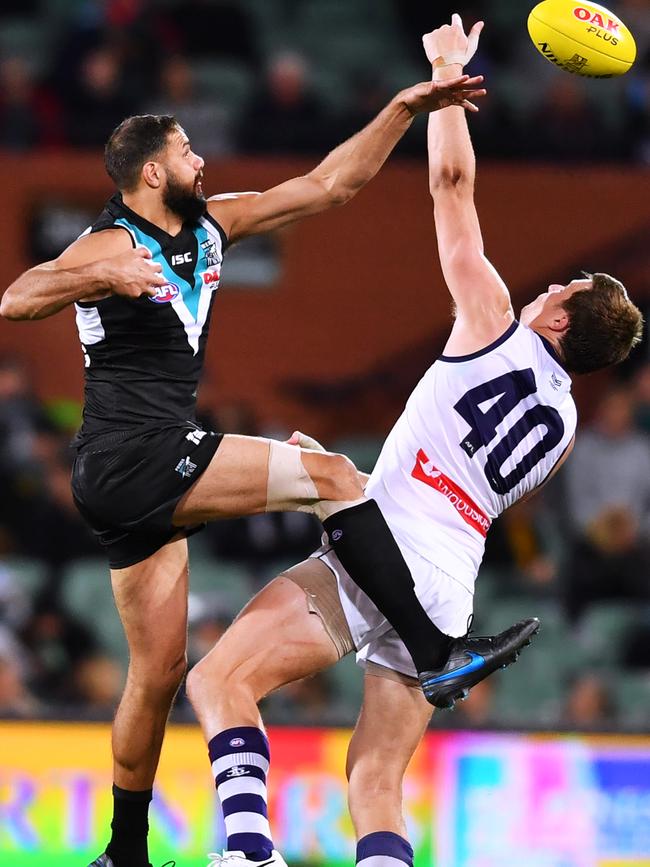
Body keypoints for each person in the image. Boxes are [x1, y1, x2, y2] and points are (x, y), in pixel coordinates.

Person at [0, 69, 522, 867]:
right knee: (337, 476)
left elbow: (329, 184)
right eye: (185, 151)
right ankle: (434, 652)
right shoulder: (110, 241)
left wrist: (403, 109)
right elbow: (19, 296)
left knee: (158, 674)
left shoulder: (212, 226)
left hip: (124, 480)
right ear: (150, 172)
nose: (201, 160)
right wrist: (101, 274)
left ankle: (124, 851)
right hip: (135, 457)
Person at [181, 15, 643, 867]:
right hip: (450, 586)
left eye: (568, 283)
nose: (554, 281)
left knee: (218, 680)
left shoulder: (494, 322)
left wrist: (444, 80)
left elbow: (453, 189)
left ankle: (246, 852)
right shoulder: (568, 428)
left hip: (380, 552)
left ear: (562, 316)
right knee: (375, 782)